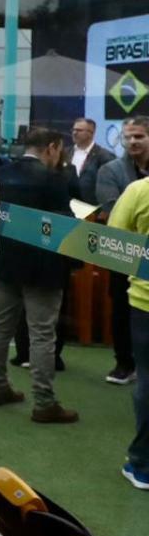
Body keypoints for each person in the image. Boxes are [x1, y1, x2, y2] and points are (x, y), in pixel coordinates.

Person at [0, 128, 77, 422]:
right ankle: (44, 402)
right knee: (42, 335)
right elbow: (63, 226)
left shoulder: (1, 175)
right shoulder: (54, 180)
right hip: (43, 268)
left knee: (1, 327)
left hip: (6, 262)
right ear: (52, 147)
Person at [96, 116, 149, 386]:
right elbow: (111, 210)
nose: (132, 141)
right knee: (121, 309)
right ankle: (124, 363)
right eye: (127, 137)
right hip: (123, 255)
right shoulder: (110, 170)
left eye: (139, 136)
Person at [108, 177, 149, 491]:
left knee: (147, 382)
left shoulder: (139, 190)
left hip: (145, 302)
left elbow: (113, 239)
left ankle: (143, 464)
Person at [66, 117, 115, 205]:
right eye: (73, 130)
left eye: (79, 130)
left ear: (91, 133)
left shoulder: (105, 156)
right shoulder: (65, 152)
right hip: (67, 204)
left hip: (92, 206)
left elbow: (108, 185)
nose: (74, 133)